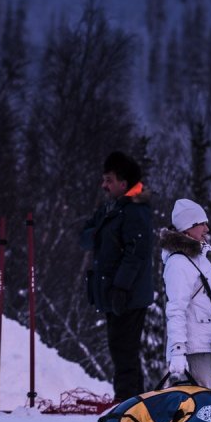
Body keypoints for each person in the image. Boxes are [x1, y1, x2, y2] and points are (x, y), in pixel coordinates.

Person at [81, 151, 153, 403]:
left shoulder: (135, 211)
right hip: (114, 292)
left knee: (124, 351)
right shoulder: (112, 208)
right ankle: (135, 403)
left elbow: (137, 253)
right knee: (123, 351)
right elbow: (84, 236)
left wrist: (120, 288)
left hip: (128, 295)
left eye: (109, 180)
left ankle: (126, 404)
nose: (104, 185)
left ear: (124, 183)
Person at [159, 198, 211, 388]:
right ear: (187, 227)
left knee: (201, 405)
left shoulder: (197, 259)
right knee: (195, 408)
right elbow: (176, 309)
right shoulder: (179, 263)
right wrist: (178, 350)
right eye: (201, 224)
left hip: (204, 347)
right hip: (192, 350)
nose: (206, 229)